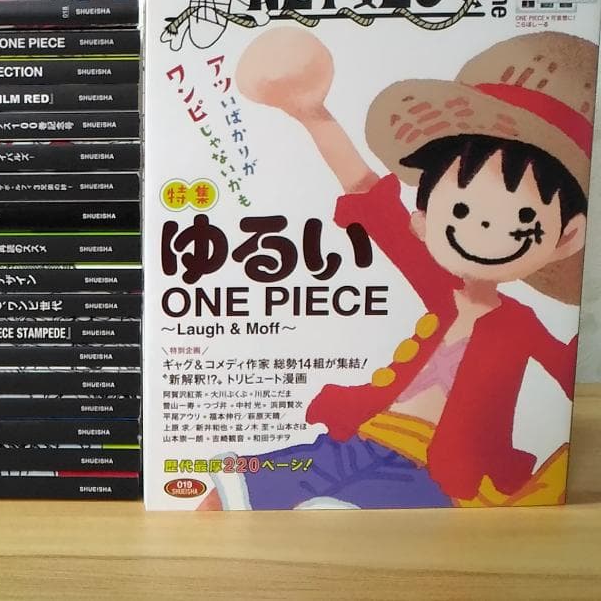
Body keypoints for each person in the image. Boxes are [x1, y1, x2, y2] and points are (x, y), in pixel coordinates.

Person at [201, 29, 593, 509]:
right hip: (358, 439)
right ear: (423, 221)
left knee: (333, 518)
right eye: (461, 211)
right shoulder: (441, 288)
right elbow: (369, 196)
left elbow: (566, 368)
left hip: (432, 474)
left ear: (567, 237)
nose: (485, 228)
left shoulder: (522, 325)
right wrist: (314, 116)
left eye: (523, 219)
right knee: (229, 488)